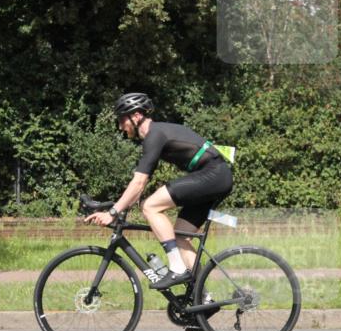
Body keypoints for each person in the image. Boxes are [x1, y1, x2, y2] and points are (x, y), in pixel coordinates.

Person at [84, 93, 232, 290]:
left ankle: (178, 268)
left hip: (213, 174)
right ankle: (203, 299)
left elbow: (139, 183)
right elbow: (138, 185)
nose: (120, 126)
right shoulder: (156, 136)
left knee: (150, 206)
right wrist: (119, 205)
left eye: (122, 120)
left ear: (136, 116)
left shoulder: (155, 135)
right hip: (215, 176)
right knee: (180, 237)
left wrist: (113, 213)